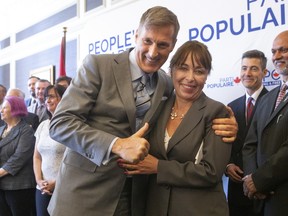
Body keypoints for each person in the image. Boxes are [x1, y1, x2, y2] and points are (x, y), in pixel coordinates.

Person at [48, 6, 237, 216]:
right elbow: (60, 123)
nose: (153, 52)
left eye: (163, 45)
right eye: (148, 41)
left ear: (172, 46)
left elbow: (194, 106)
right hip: (85, 194)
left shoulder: (166, 83)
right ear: (136, 35)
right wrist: (116, 144)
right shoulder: (98, 66)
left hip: (136, 198)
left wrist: (227, 123)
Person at [119, 40, 232, 216]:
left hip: (199, 210)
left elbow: (211, 172)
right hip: (156, 208)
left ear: (207, 76)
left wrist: (159, 167)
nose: (190, 77)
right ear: (171, 71)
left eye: (199, 71)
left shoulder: (216, 112)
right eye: (183, 68)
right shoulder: (157, 107)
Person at [242, 30, 288, 216]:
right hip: (262, 200)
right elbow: (250, 144)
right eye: (274, 51)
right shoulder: (268, 98)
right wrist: (252, 180)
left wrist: (260, 180)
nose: (276, 56)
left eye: (283, 50)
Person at [226, 50, 268, 216]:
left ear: (264, 72)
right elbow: (226, 141)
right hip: (236, 189)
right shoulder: (231, 106)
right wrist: (227, 165)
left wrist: (261, 179)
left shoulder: (274, 103)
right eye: (244, 68)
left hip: (263, 188)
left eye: (253, 69)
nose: (247, 73)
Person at [33, 84, 67, 216]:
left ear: (64, 99)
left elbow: (75, 160)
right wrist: (39, 180)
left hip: (63, 186)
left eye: (52, 97)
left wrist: (57, 182)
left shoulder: (71, 125)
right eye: (46, 97)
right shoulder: (43, 125)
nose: (47, 100)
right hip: (42, 188)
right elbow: (36, 157)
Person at [0, 96, 36, 216]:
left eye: (4, 108)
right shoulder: (1, 130)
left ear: (15, 109)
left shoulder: (26, 130)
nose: (1, 110)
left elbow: (19, 158)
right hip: (1, 186)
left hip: (18, 187)